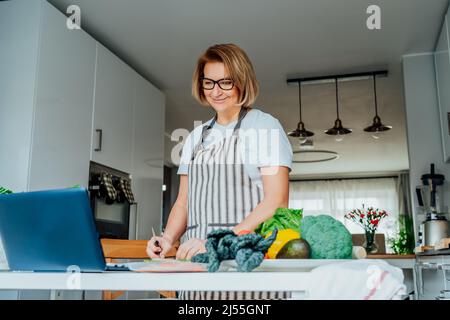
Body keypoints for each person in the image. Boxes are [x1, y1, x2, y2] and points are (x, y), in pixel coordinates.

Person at [147, 43, 293, 299]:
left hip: (246, 268)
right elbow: (184, 202)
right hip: (197, 269)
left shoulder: (264, 127)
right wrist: (167, 239)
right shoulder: (194, 138)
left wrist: (217, 241)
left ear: (242, 82)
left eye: (226, 82)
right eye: (209, 82)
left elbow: (276, 203)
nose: (216, 91)